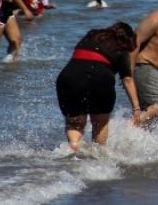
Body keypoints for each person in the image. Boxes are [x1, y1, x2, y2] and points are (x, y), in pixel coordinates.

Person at [55, 22, 143, 152]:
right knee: (99, 124)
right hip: (101, 79)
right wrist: (136, 108)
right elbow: (127, 79)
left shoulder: (91, 35)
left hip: (69, 77)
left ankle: (74, 149)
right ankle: (97, 157)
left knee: (75, 123)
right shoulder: (121, 47)